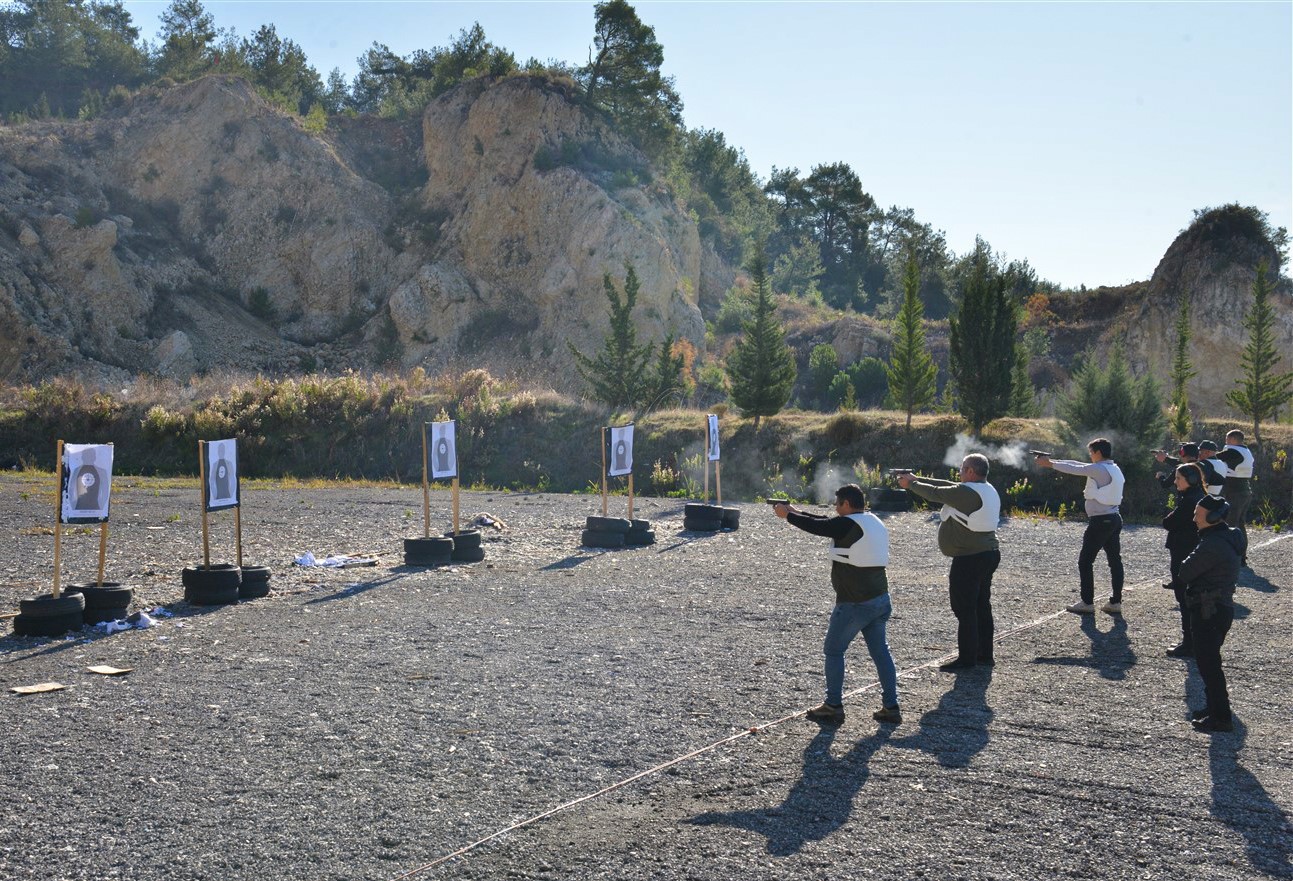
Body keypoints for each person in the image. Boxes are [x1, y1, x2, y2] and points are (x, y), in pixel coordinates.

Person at [773, 484, 901, 725]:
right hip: (880, 599)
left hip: (855, 602)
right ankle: (891, 706)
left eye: (837, 504)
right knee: (881, 653)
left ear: (846, 504)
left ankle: (833, 705)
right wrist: (795, 511)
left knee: (833, 651)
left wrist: (788, 516)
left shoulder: (847, 524)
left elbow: (821, 526)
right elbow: (826, 522)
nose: (835, 508)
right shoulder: (871, 520)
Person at [896, 454, 1001, 672]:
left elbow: (936, 493)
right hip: (987, 554)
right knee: (981, 606)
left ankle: (967, 659)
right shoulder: (986, 489)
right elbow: (947, 486)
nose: (959, 473)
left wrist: (912, 484)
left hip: (969, 558)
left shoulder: (966, 492)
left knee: (964, 608)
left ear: (971, 471)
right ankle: (984, 654)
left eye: (963, 469)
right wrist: (916, 479)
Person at [1178, 494, 1247, 733]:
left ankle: (1221, 717)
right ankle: (1213, 708)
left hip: (1209, 610)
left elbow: (1185, 571)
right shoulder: (1227, 536)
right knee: (1208, 662)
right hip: (1218, 609)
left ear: (1213, 517)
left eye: (1198, 515)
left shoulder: (1213, 544)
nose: (1194, 519)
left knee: (1209, 666)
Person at [1036, 438, 1126, 615]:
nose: (1090, 456)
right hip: (1114, 518)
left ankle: (1087, 602)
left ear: (1098, 453)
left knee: (1085, 562)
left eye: (1092, 452)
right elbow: (1078, 464)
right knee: (1115, 561)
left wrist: (1050, 465)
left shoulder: (1098, 469)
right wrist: (1052, 462)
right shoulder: (1112, 468)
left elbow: (1076, 469)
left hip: (1101, 521)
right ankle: (1115, 601)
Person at [1162, 463, 1206, 658]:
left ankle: (1189, 644)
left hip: (1183, 551)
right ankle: (1194, 642)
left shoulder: (1190, 500)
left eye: (1178, 478)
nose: (1175, 481)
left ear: (1191, 480)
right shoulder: (1196, 496)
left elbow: (1169, 522)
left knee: (1184, 599)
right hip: (1190, 550)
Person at [1217, 429, 1255, 561]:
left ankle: (1235, 557)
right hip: (1243, 491)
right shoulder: (1245, 451)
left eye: (1227, 439)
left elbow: (1214, 458)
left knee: (1232, 525)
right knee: (1239, 524)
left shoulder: (1233, 451)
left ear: (1233, 440)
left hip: (1236, 493)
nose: (1226, 441)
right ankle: (1241, 555)